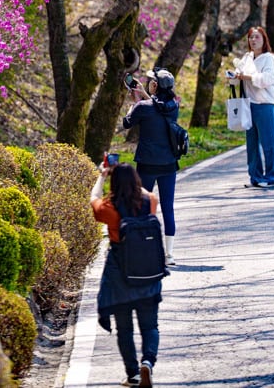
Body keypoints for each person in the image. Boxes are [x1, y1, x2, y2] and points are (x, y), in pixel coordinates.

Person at [91, 162, 161, 387]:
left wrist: (102, 176)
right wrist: (134, 184)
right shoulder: (150, 201)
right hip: (148, 274)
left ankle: (132, 374)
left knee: (125, 329)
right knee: (150, 326)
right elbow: (148, 194)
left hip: (120, 277)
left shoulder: (109, 209)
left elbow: (93, 201)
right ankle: (147, 362)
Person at [123, 68, 179, 265]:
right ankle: (169, 255)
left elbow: (127, 123)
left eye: (151, 81)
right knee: (168, 208)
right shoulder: (174, 106)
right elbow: (159, 108)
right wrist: (146, 96)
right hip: (169, 164)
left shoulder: (143, 108)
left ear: (155, 85)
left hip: (147, 164)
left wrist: (133, 106)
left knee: (143, 207)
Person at [230, 26, 274, 187]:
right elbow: (239, 76)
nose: (253, 40)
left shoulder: (268, 58)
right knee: (251, 145)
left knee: (268, 143)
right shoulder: (247, 58)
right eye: (251, 37)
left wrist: (249, 77)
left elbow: (269, 78)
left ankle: (272, 176)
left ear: (264, 39)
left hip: (265, 105)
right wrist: (234, 76)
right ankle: (255, 176)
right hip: (248, 105)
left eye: (257, 37)